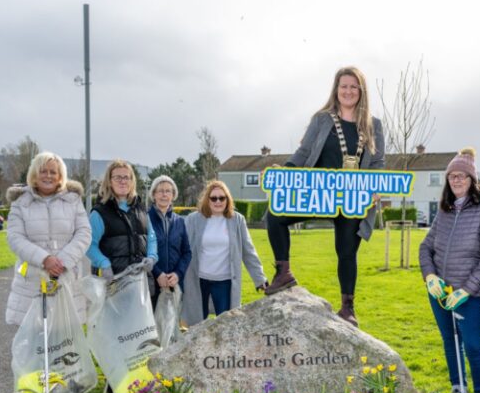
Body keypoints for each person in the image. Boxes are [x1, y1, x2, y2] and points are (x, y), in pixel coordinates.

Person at [264, 66, 385, 327]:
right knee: (275, 215)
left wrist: (373, 190)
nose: (348, 91)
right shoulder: (322, 119)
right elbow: (304, 150)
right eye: (344, 86)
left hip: (351, 198)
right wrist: (287, 172)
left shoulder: (374, 126)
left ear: (361, 91)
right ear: (336, 89)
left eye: (354, 86)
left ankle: (348, 307)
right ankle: (283, 272)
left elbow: (377, 162)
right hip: (317, 192)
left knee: (346, 251)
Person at [419, 148, 480, 393]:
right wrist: (430, 277)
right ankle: (458, 389)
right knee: (450, 341)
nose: (456, 180)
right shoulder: (444, 211)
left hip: (469, 295)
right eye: (451, 176)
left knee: (474, 345)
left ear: (472, 180)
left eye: (461, 176)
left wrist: (467, 290)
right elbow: (425, 247)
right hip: (441, 294)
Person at [5, 151, 92, 326]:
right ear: (34, 175)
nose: (48, 176)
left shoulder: (73, 200)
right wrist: (45, 260)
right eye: (43, 171)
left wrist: (62, 262)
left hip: (66, 278)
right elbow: (15, 238)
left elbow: (84, 233)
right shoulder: (20, 202)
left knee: (65, 342)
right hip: (32, 280)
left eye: (53, 172)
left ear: (61, 177)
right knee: (34, 343)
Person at [182, 180, 268, 327]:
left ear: (228, 200)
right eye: (213, 198)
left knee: (227, 325)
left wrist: (260, 278)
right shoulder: (193, 219)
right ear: (207, 199)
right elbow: (182, 249)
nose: (218, 201)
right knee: (195, 327)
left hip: (225, 282)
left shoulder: (237, 220)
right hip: (198, 281)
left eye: (222, 198)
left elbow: (248, 252)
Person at [87, 159, 157, 284]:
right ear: (109, 181)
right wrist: (103, 263)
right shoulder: (99, 213)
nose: (123, 181)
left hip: (139, 282)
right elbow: (88, 245)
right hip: (112, 282)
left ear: (132, 181)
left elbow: (151, 238)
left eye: (126, 177)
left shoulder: (141, 210)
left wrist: (152, 257)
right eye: (117, 177)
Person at [147, 175, 191, 309]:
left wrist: (178, 274)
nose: (164, 194)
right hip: (151, 285)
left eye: (168, 191)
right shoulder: (144, 218)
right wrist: (158, 273)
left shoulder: (180, 222)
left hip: (174, 285)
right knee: (151, 327)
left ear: (173, 195)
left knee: (171, 327)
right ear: (154, 194)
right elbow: (141, 252)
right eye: (160, 191)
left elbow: (187, 253)